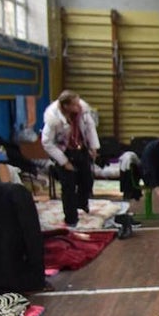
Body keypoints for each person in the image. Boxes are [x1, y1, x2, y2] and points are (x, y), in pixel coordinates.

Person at [41, 90, 100, 227]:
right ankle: (71, 218)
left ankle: (81, 203)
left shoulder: (82, 112)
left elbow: (90, 128)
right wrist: (64, 161)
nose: (78, 106)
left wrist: (93, 147)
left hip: (81, 148)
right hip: (64, 152)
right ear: (65, 106)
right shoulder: (53, 119)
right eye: (74, 104)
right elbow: (46, 142)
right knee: (68, 187)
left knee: (87, 181)